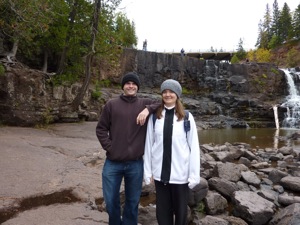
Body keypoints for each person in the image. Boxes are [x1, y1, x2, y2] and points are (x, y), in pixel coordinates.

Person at [96, 72, 159, 225]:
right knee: (111, 201)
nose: (131, 86)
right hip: (113, 162)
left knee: (132, 202)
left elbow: (163, 102)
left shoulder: (145, 102)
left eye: (134, 83)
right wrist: (110, 147)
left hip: (135, 163)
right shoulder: (111, 104)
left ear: (137, 87)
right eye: (127, 83)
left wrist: (148, 109)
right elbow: (101, 129)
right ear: (123, 86)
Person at [143, 79, 201, 225]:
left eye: (171, 92)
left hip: (180, 175)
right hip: (159, 174)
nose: (167, 94)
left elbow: (194, 147)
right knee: (162, 213)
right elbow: (149, 144)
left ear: (177, 95)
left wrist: (194, 175)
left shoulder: (187, 117)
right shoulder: (155, 117)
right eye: (164, 92)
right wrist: (147, 171)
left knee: (181, 214)